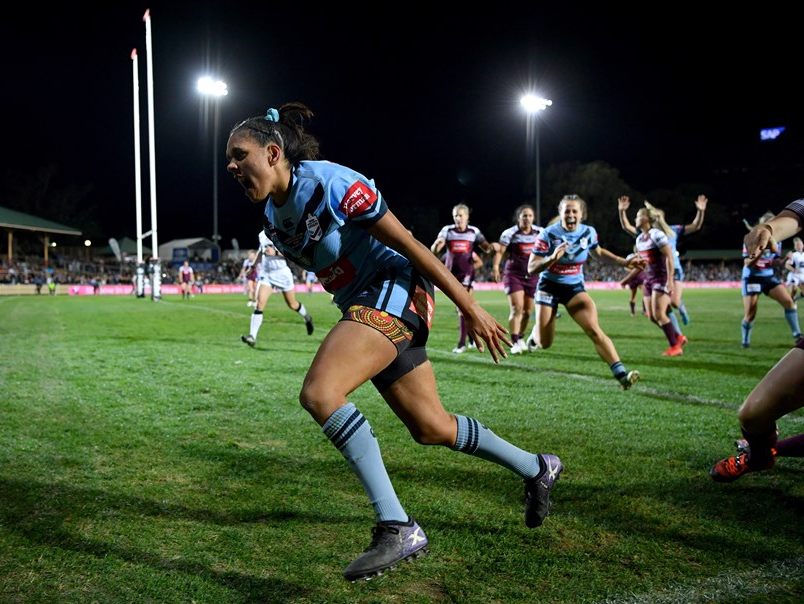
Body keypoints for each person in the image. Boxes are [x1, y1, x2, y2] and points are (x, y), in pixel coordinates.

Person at [225, 102, 562, 582]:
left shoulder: (333, 183)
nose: (232, 166)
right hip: (363, 303)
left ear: (273, 152)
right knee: (432, 427)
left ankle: (396, 524)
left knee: (321, 392)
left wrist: (471, 306)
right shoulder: (273, 221)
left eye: (240, 155)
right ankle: (537, 468)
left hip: (393, 287)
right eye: (229, 160)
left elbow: (408, 244)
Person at [710, 196, 804, 482]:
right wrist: (767, 229)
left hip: (769, 276)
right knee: (752, 415)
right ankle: (761, 456)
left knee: (789, 305)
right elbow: (795, 217)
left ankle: (770, 451)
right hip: (754, 276)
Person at [528, 194, 644, 389]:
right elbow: (531, 268)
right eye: (567, 211)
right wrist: (551, 258)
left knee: (594, 330)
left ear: (581, 214)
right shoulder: (548, 234)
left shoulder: (588, 232)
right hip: (548, 287)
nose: (571, 214)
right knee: (545, 343)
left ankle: (622, 375)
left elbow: (598, 253)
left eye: (575, 211)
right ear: (561, 213)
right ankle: (535, 335)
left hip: (574, 288)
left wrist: (624, 261)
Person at [617, 195, 707, 330]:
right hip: (655, 273)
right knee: (659, 309)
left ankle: (681, 309)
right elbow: (626, 227)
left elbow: (695, 226)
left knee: (674, 302)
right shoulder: (645, 235)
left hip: (673, 269)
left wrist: (700, 211)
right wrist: (622, 211)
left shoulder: (672, 231)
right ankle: (677, 335)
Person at [430, 203, 496, 353]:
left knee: (463, 308)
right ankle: (472, 339)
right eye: (455, 216)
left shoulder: (474, 232)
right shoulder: (447, 230)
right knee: (466, 309)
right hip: (450, 275)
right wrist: (436, 245)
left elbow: (486, 249)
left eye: (460, 215)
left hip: (467, 276)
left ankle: (461, 344)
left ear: (467, 216)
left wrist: (492, 247)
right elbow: (434, 250)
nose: (458, 218)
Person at [739, 211, 802, 348]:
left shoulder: (777, 239)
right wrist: (759, 250)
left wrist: (784, 259)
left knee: (789, 302)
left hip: (768, 276)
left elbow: (774, 261)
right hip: (752, 278)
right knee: (750, 314)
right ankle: (745, 340)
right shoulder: (752, 238)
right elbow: (747, 262)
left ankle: (798, 335)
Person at [241, 229, 314, 347]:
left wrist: (275, 253)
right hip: (267, 273)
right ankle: (252, 336)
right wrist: (253, 266)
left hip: (282, 273)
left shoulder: (282, 232)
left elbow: (293, 252)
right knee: (259, 304)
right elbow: (260, 251)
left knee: (292, 304)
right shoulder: (261, 234)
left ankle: (307, 318)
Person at [633, 206, 689, 356]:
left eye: (638, 215)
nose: (635, 218)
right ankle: (678, 337)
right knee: (651, 316)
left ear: (646, 219)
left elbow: (669, 257)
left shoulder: (657, 235)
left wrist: (670, 279)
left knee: (660, 314)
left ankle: (675, 346)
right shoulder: (639, 239)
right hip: (649, 279)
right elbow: (644, 261)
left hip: (661, 277)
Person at [491, 204, 543, 354]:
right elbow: (500, 252)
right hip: (514, 275)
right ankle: (514, 342)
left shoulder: (540, 232)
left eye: (530, 216)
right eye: (524, 215)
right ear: (519, 217)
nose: (527, 218)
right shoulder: (510, 233)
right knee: (516, 308)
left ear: (533, 218)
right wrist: (495, 267)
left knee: (527, 311)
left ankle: (520, 336)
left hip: (533, 276)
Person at [620, 250, 647, 317]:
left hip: (640, 276)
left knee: (645, 294)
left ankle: (645, 311)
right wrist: (633, 270)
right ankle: (633, 312)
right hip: (632, 278)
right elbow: (626, 267)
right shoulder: (630, 256)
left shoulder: (642, 256)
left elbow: (643, 266)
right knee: (633, 295)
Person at [783, 236, 804, 301]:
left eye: (800, 244)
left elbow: (803, 265)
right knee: (794, 290)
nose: (799, 246)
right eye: (798, 245)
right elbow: (786, 265)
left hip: (802, 275)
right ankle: (790, 302)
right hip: (794, 275)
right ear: (795, 247)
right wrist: (794, 270)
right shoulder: (794, 254)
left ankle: (794, 300)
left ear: (803, 245)